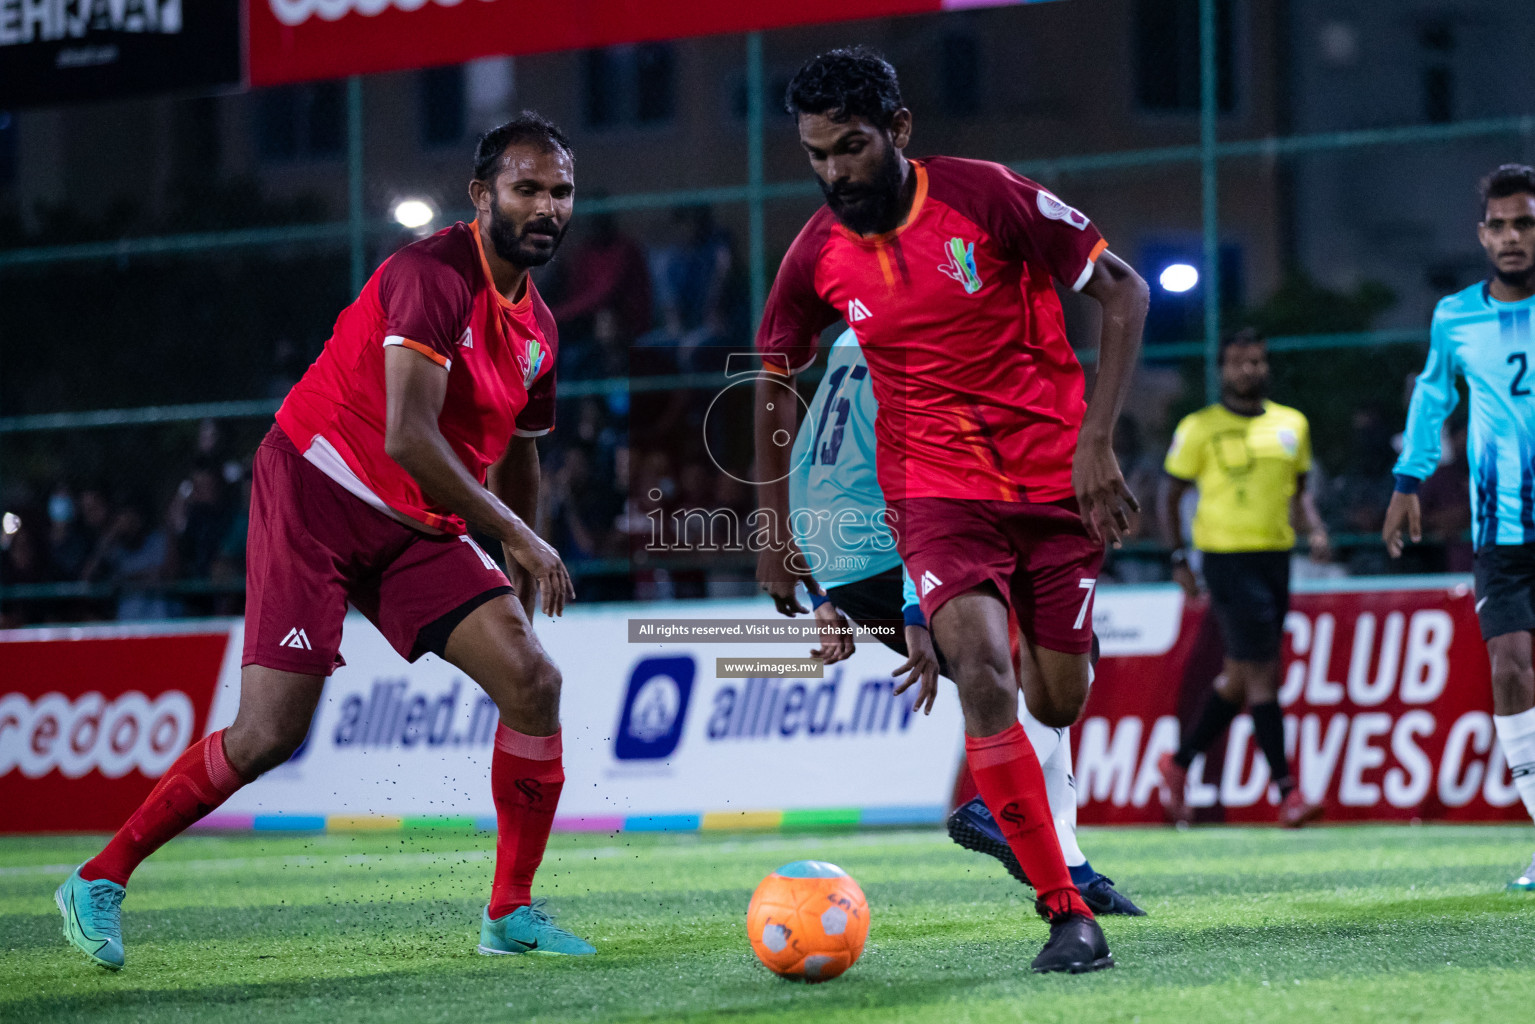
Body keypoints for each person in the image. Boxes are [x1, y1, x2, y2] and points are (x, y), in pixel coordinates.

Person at [55, 114, 591, 970]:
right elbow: (411, 436)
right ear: (481, 196)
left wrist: (514, 569)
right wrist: (520, 538)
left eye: (560, 191)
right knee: (270, 734)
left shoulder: (540, 331)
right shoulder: (431, 275)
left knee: (533, 680)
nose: (547, 206)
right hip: (318, 488)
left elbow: (519, 455)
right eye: (527, 188)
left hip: (420, 520)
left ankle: (509, 914)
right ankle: (99, 876)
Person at [754, 48, 1147, 974]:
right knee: (982, 672)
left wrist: (1097, 441)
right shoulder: (816, 250)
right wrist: (773, 533)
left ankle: (1014, 814)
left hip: (1053, 485)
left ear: (897, 130)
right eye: (815, 154)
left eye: (850, 147)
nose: (834, 173)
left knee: (1058, 695)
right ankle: (1064, 912)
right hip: (935, 496)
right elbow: (771, 376)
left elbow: (1122, 291)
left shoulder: (990, 197)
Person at [787, 328, 1144, 917]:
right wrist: (913, 608)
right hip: (892, 549)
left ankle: (1071, 864)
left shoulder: (850, 339)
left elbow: (804, 466)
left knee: (1048, 663)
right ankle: (999, 812)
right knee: (1065, 659)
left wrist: (820, 589)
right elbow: (915, 481)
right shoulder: (915, 336)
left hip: (841, 556)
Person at [1382, 163, 1535, 892]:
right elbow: (1431, 396)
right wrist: (1406, 481)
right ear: (1482, 235)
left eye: (1524, 223)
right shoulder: (1454, 316)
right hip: (1498, 533)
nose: (1511, 237)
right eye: (1499, 226)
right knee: (1508, 666)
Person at [1155, 329, 1330, 828]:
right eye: (1237, 362)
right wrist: (1178, 559)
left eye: (1255, 361)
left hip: (1276, 558)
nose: (1247, 370)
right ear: (1222, 370)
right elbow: (1169, 496)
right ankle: (1287, 792)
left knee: (1237, 677)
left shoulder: (1292, 424)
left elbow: (1300, 494)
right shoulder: (1199, 428)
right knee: (1263, 678)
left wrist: (1314, 530)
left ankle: (1179, 763)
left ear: (1266, 366)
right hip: (1226, 559)